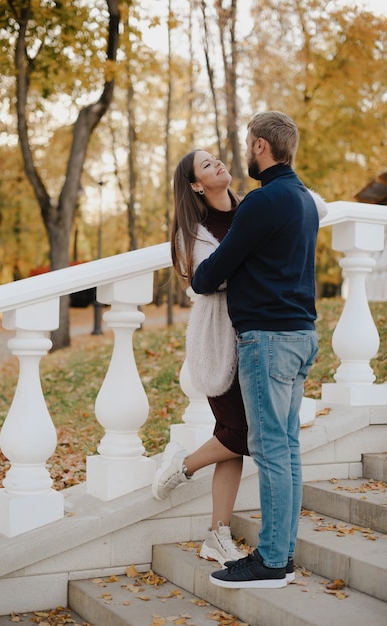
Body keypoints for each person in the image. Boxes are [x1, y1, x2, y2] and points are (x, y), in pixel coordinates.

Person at [191, 111, 321, 589]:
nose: (245, 152)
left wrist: (204, 274)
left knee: (271, 452)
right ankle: (280, 556)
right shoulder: (304, 200)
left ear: (262, 147)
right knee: (285, 451)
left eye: (249, 144)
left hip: (267, 339)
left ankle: (270, 560)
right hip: (300, 335)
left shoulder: (262, 202)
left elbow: (211, 272)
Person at [151, 149, 249, 566]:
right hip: (218, 340)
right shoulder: (190, 233)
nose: (218, 165)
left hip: (259, 333)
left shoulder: (253, 208)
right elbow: (206, 281)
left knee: (236, 437)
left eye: (217, 160)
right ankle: (183, 465)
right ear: (195, 185)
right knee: (240, 432)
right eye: (206, 165)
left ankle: (217, 535)